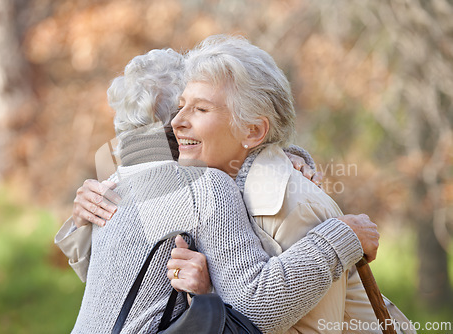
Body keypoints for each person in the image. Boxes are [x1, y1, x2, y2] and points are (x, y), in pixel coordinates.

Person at [56, 48, 378, 334]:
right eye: (183, 106)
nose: (184, 120)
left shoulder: (115, 182)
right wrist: (343, 236)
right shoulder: (203, 186)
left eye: (200, 108)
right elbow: (257, 309)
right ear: (171, 124)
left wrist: (279, 154)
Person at [166, 35, 410, 333]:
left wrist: (207, 299)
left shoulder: (293, 206)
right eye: (181, 106)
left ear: (253, 131)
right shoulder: (217, 189)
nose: (177, 120)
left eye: (201, 110)